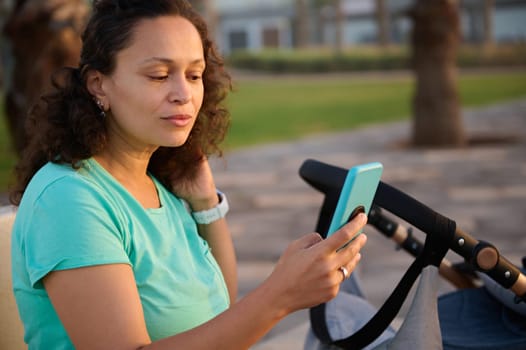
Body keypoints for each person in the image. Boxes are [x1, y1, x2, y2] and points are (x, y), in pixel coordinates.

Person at [9, 1, 367, 349]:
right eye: (160, 75)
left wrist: (206, 205)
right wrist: (281, 294)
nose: (184, 94)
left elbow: (218, 313)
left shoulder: (157, 186)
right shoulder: (69, 199)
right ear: (99, 85)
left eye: (194, 75)